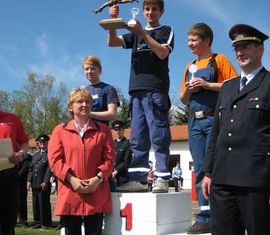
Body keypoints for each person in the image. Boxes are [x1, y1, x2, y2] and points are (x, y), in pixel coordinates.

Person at [202, 24, 270, 235]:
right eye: (236, 48)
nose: (240, 53)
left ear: (260, 49)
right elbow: (216, 133)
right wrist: (208, 172)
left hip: (256, 180)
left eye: (246, 47)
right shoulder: (228, 87)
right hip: (222, 179)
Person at [108, 0, 174, 193]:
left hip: (155, 90)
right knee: (137, 137)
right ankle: (138, 179)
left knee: (159, 135)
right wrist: (113, 23)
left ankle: (162, 178)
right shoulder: (135, 34)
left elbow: (162, 53)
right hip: (136, 91)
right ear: (143, 11)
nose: (150, 12)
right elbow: (112, 42)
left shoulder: (166, 30)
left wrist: (142, 33)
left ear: (161, 11)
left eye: (154, 9)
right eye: (147, 8)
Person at [179, 22, 238, 234]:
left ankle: (219, 214)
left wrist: (207, 85)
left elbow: (233, 86)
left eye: (194, 40)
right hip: (194, 121)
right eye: (188, 40)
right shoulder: (189, 66)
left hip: (215, 119)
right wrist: (188, 89)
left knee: (215, 166)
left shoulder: (219, 60)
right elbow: (183, 99)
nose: (190, 44)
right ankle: (204, 216)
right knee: (199, 167)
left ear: (207, 41)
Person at [48, 87, 115, 235]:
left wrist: (98, 178)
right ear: (70, 107)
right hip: (70, 192)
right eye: (80, 101)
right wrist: (71, 180)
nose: (84, 104)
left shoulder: (103, 131)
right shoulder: (59, 130)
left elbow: (110, 159)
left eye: (88, 102)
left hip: (96, 191)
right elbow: (55, 160)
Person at [0, 110, 29, 235]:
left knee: (8, 219)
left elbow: (24, 141)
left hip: (8, 173)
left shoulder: (13, 118)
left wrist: (20, 154)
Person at [83, 55, 120, 126]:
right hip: (85, 133)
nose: (89, 71)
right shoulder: (83, 92)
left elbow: (112, 114)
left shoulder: (109, 89)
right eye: (86, 69)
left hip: (102, 132)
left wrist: (88, 114)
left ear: (99, 70)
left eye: (92, 68)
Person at [27, 134, 52, 229]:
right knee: (36, 203)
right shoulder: (36, 155)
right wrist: (29, 180)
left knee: (44, 203)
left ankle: (45, 222)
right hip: (35, 182)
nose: (42, 144)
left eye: (44, 142)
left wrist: (46, 181)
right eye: (40, 142)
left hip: (43, 183)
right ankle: (37, 221)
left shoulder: (50, 154)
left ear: (47, 143)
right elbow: (31, 169)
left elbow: (49, 169)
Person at [111, 120, 132, 187]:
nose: (118, 131)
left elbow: (126, 161)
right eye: (116, 129)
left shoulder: (127, 143)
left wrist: (116, 171)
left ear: (123, 130)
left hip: (122, 178)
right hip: (111, 176)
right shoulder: (112, 143)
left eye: (119, 129)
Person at [17, 153, 32, 228]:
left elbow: (25, 168)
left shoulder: (27, 156)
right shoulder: (12, 155)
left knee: (22, 202)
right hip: (11, 182)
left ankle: (23, 221)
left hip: (21, 183)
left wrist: (14, 176)